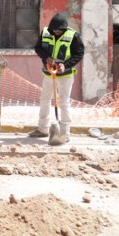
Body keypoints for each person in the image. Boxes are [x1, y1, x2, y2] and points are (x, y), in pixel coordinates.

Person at [29, 13, 85, 141]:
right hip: (49, 74)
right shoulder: (45, 33)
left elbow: (79, 53)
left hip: (65, 76)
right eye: (55, 30)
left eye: (60, 30)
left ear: (64, 29)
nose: (57, 32)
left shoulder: (73, 36)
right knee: (44, 99)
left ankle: (65, 133)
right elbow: (38, 48)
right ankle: (42, 129)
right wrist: (46, 58)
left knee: (64, 102)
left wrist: (66, 65)